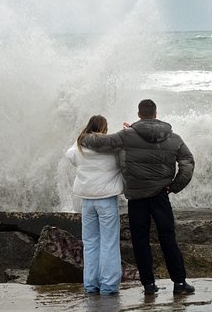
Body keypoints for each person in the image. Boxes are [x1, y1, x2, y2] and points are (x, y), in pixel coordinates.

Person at [81, 99, 196, 295]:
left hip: (136, 198)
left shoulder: (127, 136)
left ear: (139, 114)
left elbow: (100, 143)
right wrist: (175, 186)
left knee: (140, 241)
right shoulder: (174, 138)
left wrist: (83, 137)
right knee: (168, 238)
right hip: (161, 196)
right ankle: (179, 283)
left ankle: (148, 286)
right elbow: (188, 162)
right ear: (156, 114)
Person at [65, 115, 123, 296]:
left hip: (87, 200)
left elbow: (70, 155)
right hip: (106, 199)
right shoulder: (111, 148)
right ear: (105, 129)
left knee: (90, 242)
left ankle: (90, 284)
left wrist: (80, 139)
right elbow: (123, 161)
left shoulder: (80, 146)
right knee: (109, 242)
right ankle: (108, 285)